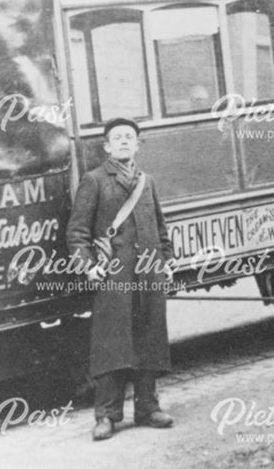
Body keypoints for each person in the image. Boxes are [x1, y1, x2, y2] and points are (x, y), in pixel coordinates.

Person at [66, 118, 175, 441]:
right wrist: (89, 267)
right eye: (118, 137)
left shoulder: (147, 181)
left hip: (148, 274)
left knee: (149, 339)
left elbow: (160, 225)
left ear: (138, 144)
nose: (125, 141)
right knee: (112, 345)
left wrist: (167, 260)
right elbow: (77, 233)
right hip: (113, 277)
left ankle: (148, 408)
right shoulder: (94, 180)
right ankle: (107, 416)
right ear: (107, 147)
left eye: (131, 136)